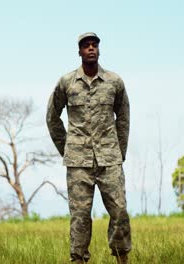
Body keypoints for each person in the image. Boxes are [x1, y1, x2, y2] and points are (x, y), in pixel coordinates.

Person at [46, 32, 131, 264]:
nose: (91, 49)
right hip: (78, 163)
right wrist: (68, 149)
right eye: (86, 46)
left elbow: (123, 118)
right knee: (80, 216)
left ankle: (122, 257)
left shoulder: (114, 82)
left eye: (94, 45)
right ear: (80, 52)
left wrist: (119, 152)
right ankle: (79, 260)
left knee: (120, 211)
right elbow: (52, 118)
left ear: (99, 49)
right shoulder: (67, 82)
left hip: (109, 159)